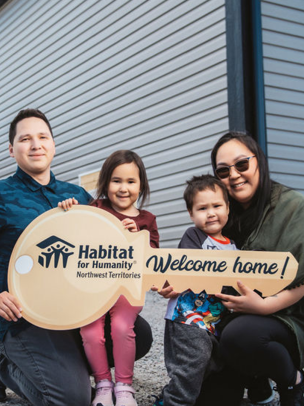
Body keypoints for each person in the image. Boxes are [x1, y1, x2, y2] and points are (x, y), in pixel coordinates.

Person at [0, 109, 152, 406]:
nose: (36, 145)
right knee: (72, 399)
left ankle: (66, 366)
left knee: (139, 335)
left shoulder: (79, 196)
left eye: (43, 137)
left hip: (75, 308)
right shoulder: (2, 195)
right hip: (25, 317)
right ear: (11, 149)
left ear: (53, 145)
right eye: (25, 139)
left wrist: (126, 233)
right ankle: (5, 364)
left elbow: (103, 243)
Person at [208, 132, 304, 406]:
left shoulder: (292, 207)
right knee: (213, 398)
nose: (234, 175)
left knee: (242, 335)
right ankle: (257, 381)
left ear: (259, 161)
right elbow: (198, 260)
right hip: (233, 313)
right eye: (223, 171)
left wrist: (265, 306)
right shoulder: (222, 212)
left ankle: (292, 381)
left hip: (288, 314)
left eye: (242, 165)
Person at [61, 150, 159, 406]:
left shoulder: (146, 220)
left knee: (122, 327)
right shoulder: (96, 208)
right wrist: (69, 210)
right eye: (116, 181)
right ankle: (103, 383)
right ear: (105, 183)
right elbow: (77, 234)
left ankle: (124, 387)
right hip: (94, 287)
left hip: (127, 290)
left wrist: (137, 236)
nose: (123, 188)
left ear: (141, 185)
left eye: (131, 181)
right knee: (91, 332)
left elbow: (153, 258)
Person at [153, 174, 237, 406]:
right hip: (187, 316)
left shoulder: (234, 246)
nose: (211, 213)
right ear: (191, 214)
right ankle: (173, 402)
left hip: (214, 320)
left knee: (210, 363)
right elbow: (189, 267)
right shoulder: (194, 236)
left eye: (217, 206)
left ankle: (170, 394)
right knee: (194, 360)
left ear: (228, 208)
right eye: (202, 208)